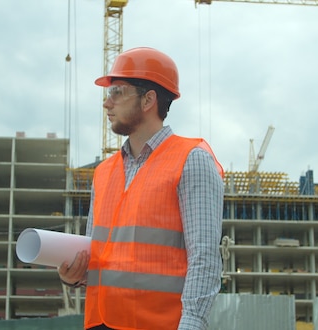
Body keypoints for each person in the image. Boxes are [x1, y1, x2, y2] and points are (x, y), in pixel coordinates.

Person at [58, 47, 224, 330]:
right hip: (100, 321)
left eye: (117, 92)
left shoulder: (191, 159)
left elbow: (205, 256)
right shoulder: (103, 173)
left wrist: (192, 324)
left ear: (148, 100)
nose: (107, 103)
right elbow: (99, 257)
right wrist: (73, 275)